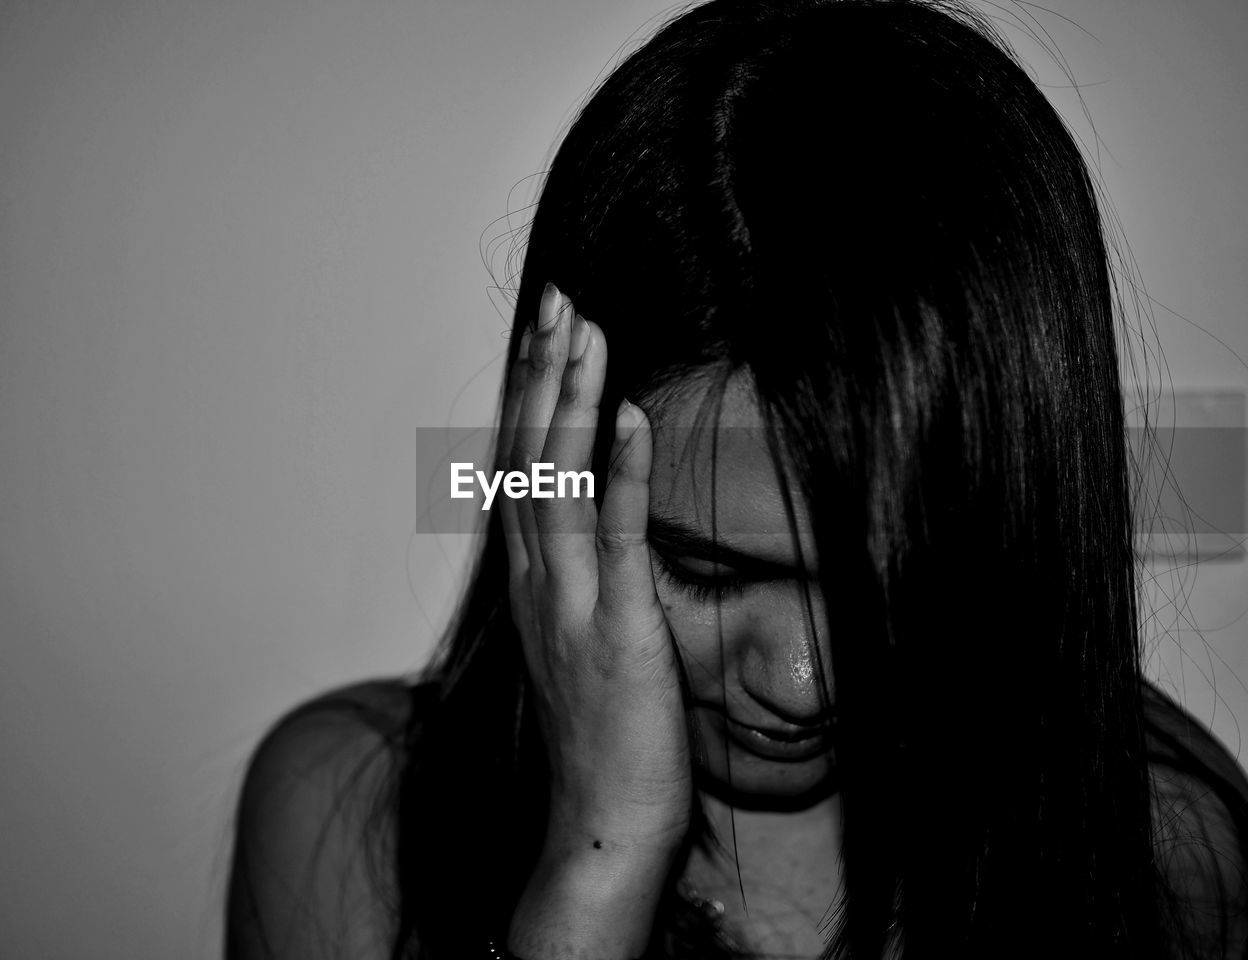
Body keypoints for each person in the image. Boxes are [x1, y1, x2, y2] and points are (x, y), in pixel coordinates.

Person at [224, 1, 1248, 957]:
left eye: (872, 582)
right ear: (551, 480)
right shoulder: (346, 817)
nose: (799, 683)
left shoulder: (1162, 852)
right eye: (704, 569)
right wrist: (598, 858)